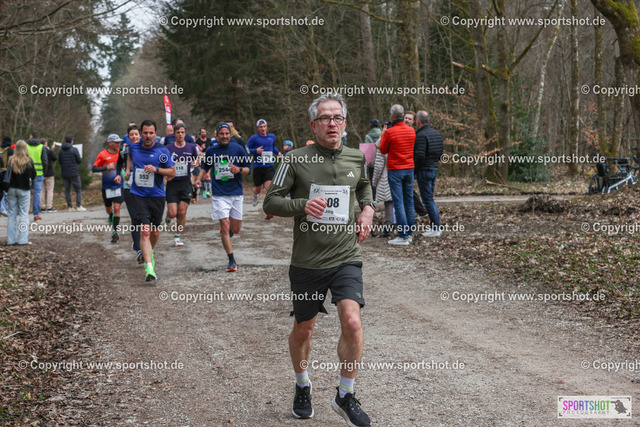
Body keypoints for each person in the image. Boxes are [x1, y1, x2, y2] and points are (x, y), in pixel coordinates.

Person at [263, 92, 374, 427]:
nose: (332, 123)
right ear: (313, 124)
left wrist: (368, 209)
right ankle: (302, 384)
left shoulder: (356, 157)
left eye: (337, 117)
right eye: (325, 118)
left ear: (345, 122)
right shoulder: (294, 160)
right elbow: (271, 202)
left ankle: (345, 394)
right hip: (308, 261)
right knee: (304, 328)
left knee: (352, 322)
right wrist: (302, 205)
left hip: (346, 256)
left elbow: (364, 187)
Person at [126, 119, 175, 281]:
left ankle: (150, 252)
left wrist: (157, 169)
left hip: (156, 196)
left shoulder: (162, 151)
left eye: (151, 133)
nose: (148, 136)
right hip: (138, 195)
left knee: (154, 231)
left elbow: (172, 172)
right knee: (145, 231)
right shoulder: (134, 147)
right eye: (145, 133)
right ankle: (149, 268)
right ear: (141, 133)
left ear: (155, 134)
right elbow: (129, 157)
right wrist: (128, 170)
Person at [196, 123, 250, 272]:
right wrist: (199, 179)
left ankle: (229, 231)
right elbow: (205, 167)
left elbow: (248, 169)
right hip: (219, 194)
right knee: (225, 226)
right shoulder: (211, 150)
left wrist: (239, 169)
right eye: (222, 134)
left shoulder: (238, 149)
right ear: (217, 135)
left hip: (236, 193)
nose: (224, 136)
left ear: (230, 134)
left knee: (236, 229)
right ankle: (231, 260)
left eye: (227, 134)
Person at [380, 104, 416, 246]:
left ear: (392, 115)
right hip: (409, 168)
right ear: (403, 115)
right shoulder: (411, 131)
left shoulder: (389, 132)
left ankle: (403, 235)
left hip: (395, 169)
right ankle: (409, 233)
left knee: (398, 202)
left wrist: (383, 133)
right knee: (409, 201)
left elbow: (383, 150)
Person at [165, 123, 199, 247]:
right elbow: (163, 162)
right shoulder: (168, 148)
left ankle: (177, 236)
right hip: (172, 183)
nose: (180, 134)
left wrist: (196, 163)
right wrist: (166, 173)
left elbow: (197, 159)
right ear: (174, 134)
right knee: (173, 213)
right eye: (178, 132)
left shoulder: (191, 147)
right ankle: (168, 217)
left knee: (182, 212)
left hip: (185, 183)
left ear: (185, 133)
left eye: (182, 132)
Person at [414, 110, 444, 237]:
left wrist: (415, 170)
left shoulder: (421, 135)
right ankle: (435, 226)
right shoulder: (437, 134)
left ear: (418, 121)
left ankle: (436, 227)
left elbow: (420, 155)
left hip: (424, 170)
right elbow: (441, 154)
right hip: (434, 168)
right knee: (430, 198)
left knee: (427, 200)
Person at [119, 125, 143, 262]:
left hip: (144, 187)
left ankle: (141, 242)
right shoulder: (124, 151)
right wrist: (120, 174)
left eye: (136, 134)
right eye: (131, 135)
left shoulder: (146, 148)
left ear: (140, 135)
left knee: (144, 218)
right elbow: (118, 164)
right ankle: (139, 250)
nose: (134, 137)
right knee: (135, 218)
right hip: (128, 186)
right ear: (128, 137)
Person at [93, 134, 124, 243]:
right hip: (107, 187)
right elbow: (94, 169)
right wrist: (106, 167)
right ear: (110, 143)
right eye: (116, 142)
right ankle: (110, 215)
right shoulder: (102, 154)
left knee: (117, 208)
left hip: (119, 185)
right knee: (109, 210)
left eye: (119, 142)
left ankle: (115, 231)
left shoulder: (121, 153)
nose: (118, 144)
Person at [247, 119, 280, 219]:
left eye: (264, 126)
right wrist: (255, 151)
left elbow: (273, 147)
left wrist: (278, 153)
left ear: (266, 127)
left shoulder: (272, 136)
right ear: (258, 128)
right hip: (258, 167)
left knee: (269, 188)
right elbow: (246, 149)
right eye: (261, 127)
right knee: (258, 188)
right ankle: (256, 197)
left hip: (269, 166)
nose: (263, 128)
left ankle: (269, 210)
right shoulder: (254, 138)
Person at [6, 140, 36, 245]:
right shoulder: (29, 161)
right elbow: (34, 175)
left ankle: (11, 240)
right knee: (24, 215)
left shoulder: (10, 160)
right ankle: (23, 240)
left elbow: (7, 175)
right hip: (24, 189)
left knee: (11, 215)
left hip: (11, 189)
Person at [402, 112, 428, 219]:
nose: (407, 120)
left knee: (408, 191)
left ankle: (420, 211)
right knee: (406, 191)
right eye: (406, 118)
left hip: (409, 165)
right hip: (401, 164)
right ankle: (418, 212)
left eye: (409, 119)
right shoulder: (400, 131)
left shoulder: (414, 133)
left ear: (413, 121)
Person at [57, 135, 86, 211]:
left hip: (65, 173)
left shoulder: (61, 150)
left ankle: (70, 207)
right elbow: (79, 161)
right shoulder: (74, 150)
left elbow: (59, 161)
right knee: (78, 189)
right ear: (71, 141)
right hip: (74, 173)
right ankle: (78, 206)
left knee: (67, 190)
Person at [372, 140, 393, 238]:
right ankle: (405, 228)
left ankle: (388, 228)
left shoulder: (382, 143)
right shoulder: (402, 139)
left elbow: (378, 166)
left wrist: (374, 182)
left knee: (388, 203)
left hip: (386, 176)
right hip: (403, 173)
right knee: (401, 202)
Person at [26, 131, 48, 221]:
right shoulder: (42, 147)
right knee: (37, 194)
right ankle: (36, 214)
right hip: (39, 174)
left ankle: (25, 213)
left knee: (26, 194)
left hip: (27, 174)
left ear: (31, 136)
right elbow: (45, 162)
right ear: (37, 137)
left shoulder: (26, 146)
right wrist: (44, 172)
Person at [364, 119, 381, 199]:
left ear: (371, 126)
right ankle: (381, 196)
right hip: (382, 160)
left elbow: (367, 149)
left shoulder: (368, 136)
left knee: (372, 178)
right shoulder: (383, 134)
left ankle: (374, 196)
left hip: (372, 161)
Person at [40, 139, 57, 212]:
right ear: (45, 143)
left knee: (42, 190)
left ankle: (42, 206)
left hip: (41, 172)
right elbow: (54, 158)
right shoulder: (49, 151)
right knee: (49, 190)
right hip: (49, 173)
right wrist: (51, 150)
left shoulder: (39, 151)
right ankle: (49, 206)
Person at [0, 136, 14, 216]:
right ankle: (8, 209)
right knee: (7, 191)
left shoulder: (0, 149)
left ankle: (2, 209)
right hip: (7, 174)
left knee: (0, 191)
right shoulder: (10, 150)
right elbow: (11, 163)